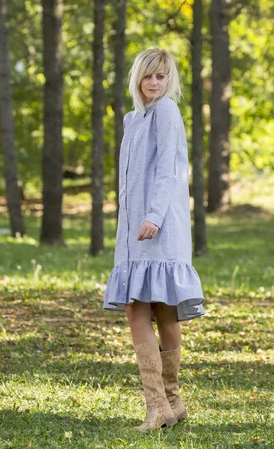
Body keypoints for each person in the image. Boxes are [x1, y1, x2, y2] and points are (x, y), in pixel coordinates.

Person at [103, 48, 205, 432]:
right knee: (149, 309)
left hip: (159, 226)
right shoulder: (133, 119)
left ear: (169, 80)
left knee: (155, 309)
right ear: (137, 78)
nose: (154, 82)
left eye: (162, 76)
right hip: (134, 232)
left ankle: (161, 403)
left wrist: (155, 217)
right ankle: (169, 404)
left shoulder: (166, 111)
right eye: (149, 75)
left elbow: (168, 170)